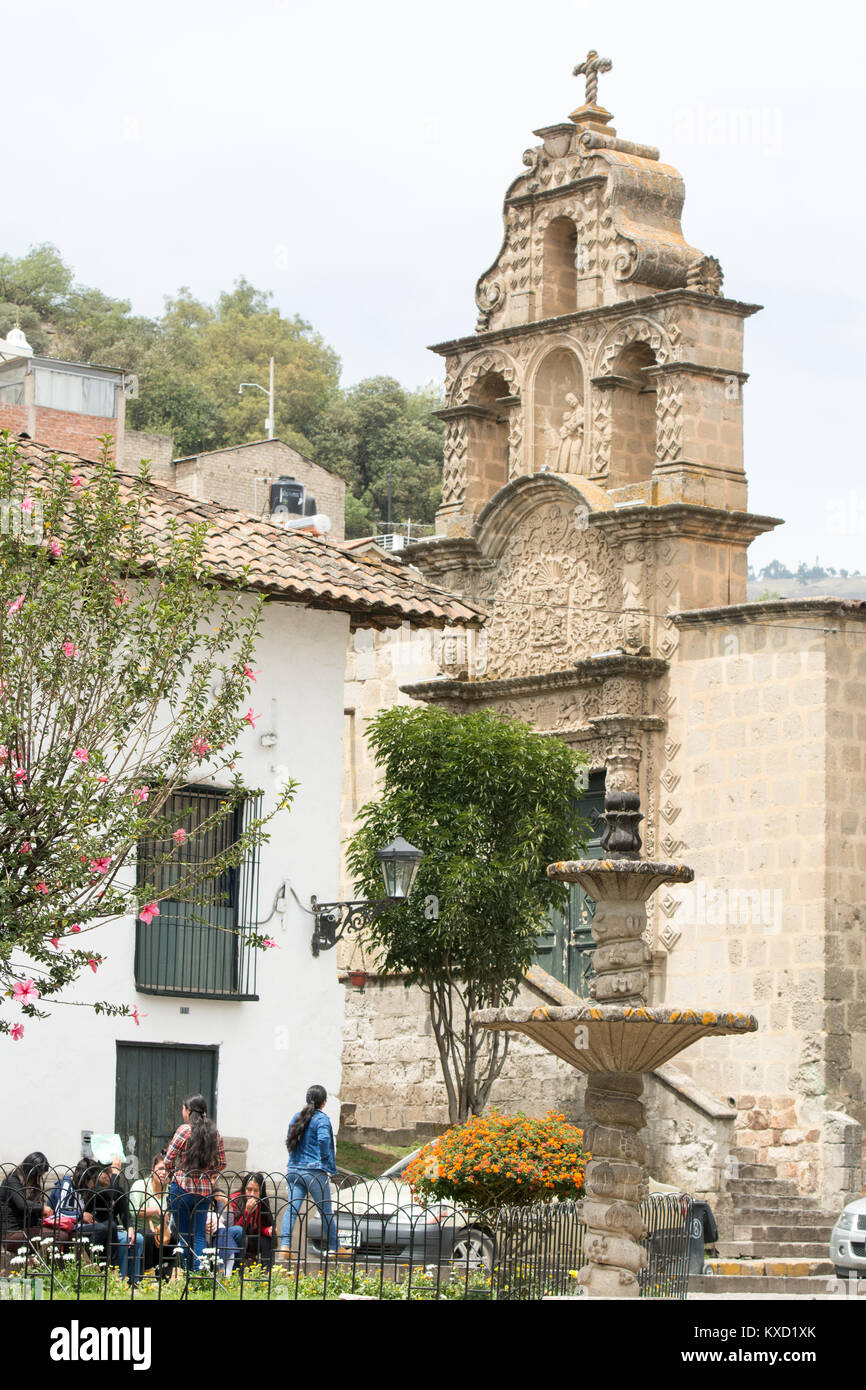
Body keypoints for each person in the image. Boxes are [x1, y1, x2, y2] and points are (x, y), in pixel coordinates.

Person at [279, 1085, 347, 1259]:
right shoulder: (321, 1119)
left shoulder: (297, 1117)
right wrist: (324, 1159)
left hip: (294, 1169)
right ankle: (334, 1247)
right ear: (323, 1103)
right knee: (325, 1210)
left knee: (292, 1209)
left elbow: (289, 1138)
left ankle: (285, 1246)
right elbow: (324, 1139)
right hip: (314, 1171)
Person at [164, 1094, 226, 1272]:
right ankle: (198, 1274)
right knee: (199, 1235)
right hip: (204, 1192)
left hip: (182, 1188)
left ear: (188, 1111)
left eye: (183, 1109)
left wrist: (174, 1174)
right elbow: (222, 1163)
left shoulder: (184, 1130)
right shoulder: (214, 1134)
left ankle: (185, 1274)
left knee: (184, 1235)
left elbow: (168, 1161)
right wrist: (209, 1174)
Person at [81, 1163, 144, 1284]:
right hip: (102, 1229)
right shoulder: (96, 1190)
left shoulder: (117, 1191)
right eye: (106, 1172)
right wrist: (116, 1173)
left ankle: (134, 1281)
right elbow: (111, 1194)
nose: (108, 1176)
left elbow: (124, 1212)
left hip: (116, 1228)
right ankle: (120, 1280)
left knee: (138, 1239)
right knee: (125, 1241)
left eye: (111, 1173)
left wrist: (130, 1227)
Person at [216, 1173, 274, 1275]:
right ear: (244, 1189)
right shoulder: (235, 1199)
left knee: (266, 1240)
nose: (251, 1194)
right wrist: (247, 1212)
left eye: (256, 1191)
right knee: (241, 1234)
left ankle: (266, 1274)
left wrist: (267, 1230)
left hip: (252, 1238)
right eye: (249, 1189)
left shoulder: (262, 1201)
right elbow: (234, 1229)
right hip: (236, 1238)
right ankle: (237, 1272)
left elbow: (258, 1227)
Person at [129, 1154, 176, 1275]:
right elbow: (133, 1211)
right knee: (149, 1236)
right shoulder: (140, 1186)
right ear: (152, 1170)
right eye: (160, 1168)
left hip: (162, 1230)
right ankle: (148, 1271)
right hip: (141, 1228)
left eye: (166, 1169)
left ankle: (168, 1272)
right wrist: (154, 1210)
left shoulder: (170, 1190)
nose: (163, 1172)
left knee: (175, 1236)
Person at [0, 1152, 52, 1245]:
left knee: (63, 1233)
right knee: (58, 1235)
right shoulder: (13, 1179)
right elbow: (22, 1204)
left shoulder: (30, 1184)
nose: (38, 1179)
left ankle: (36, 1259)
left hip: (26, 1228)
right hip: (11, 1233)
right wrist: (42, 1208)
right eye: (39, 1175)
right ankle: (37, 1259)